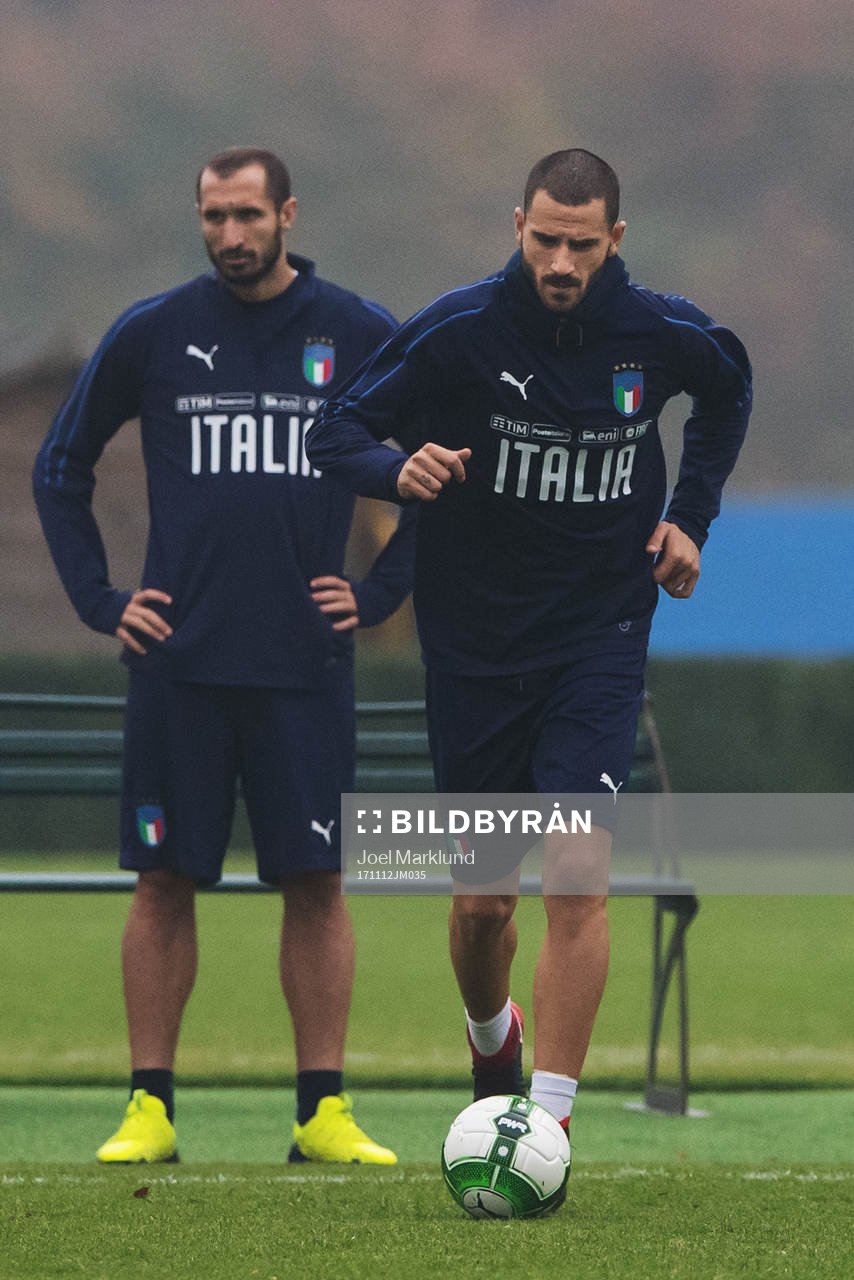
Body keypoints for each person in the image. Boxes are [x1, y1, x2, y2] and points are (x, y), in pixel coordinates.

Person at [306, 149, 751, 1134]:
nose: (558, 259)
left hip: (597, 633)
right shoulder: (460, 328)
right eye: (543, 238)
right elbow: (334, 430)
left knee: (577, 874)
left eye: (579, 244)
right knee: (479, 909)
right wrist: (395, 464)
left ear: (614, 241)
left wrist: (690, 516)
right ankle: (488, 1034)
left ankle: (542, 1121)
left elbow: (726, 389)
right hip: (472, 646)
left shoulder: (661, 330)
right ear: (517, 225)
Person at [33, 146, 414, 1166]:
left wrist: (378, 591)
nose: (230, 236)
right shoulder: (154, 332)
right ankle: (150, 1107)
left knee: (318, 881)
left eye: (247, 215)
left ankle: (322, 1111)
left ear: (288, 212)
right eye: (212, 217)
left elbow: (443, 460)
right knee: (162, 881)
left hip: (304, 668)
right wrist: (102, 600)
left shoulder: (358, 333)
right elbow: (59, 467)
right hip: (179, 667)